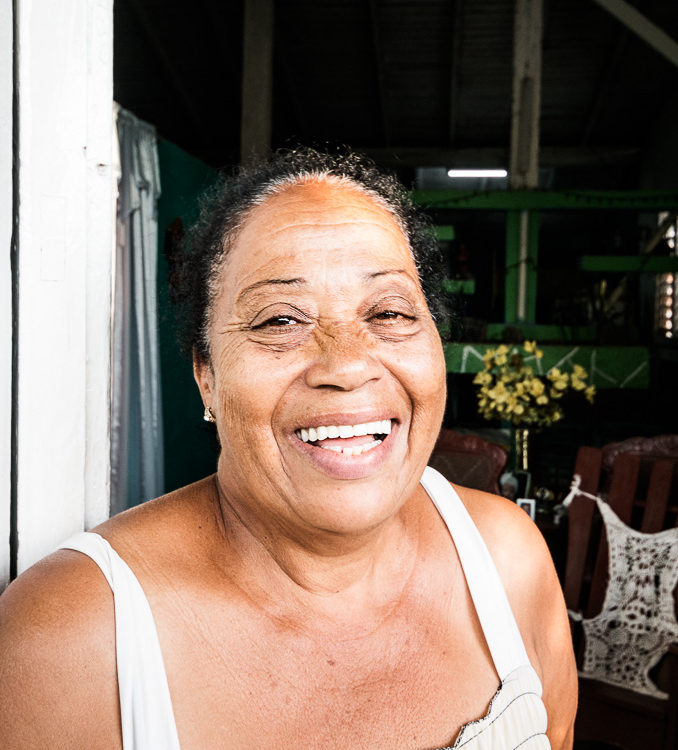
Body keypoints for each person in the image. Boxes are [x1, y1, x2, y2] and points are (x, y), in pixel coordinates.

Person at [0, 148, 576, 749]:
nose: (348, 364)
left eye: (389, 311)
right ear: (206, 377)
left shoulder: (509, 561)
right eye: (280, 321)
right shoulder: (73, 637)